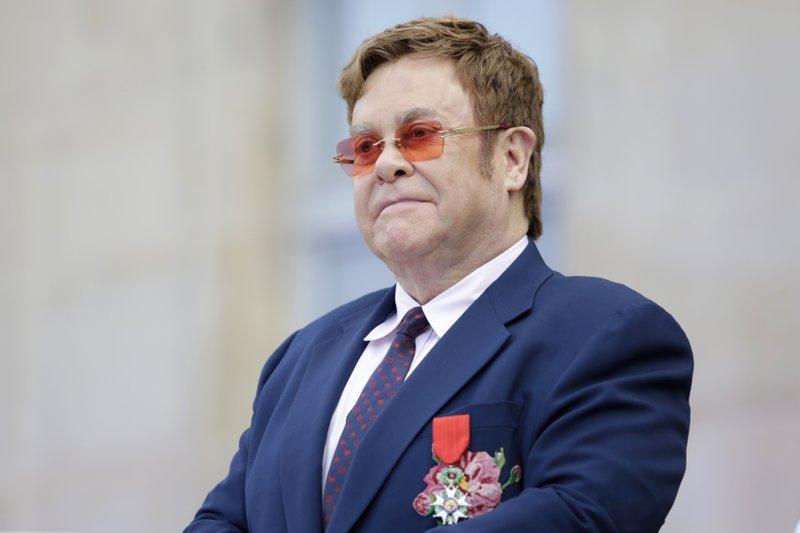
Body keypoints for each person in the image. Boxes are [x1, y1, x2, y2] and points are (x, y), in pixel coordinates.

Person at [185, 16, 693, 533]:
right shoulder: (301, 357)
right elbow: (222, 521)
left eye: (419, 135)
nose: (386, 165)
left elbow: (578, 514)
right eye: (365, 147)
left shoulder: (605, 333)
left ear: (512, 158)